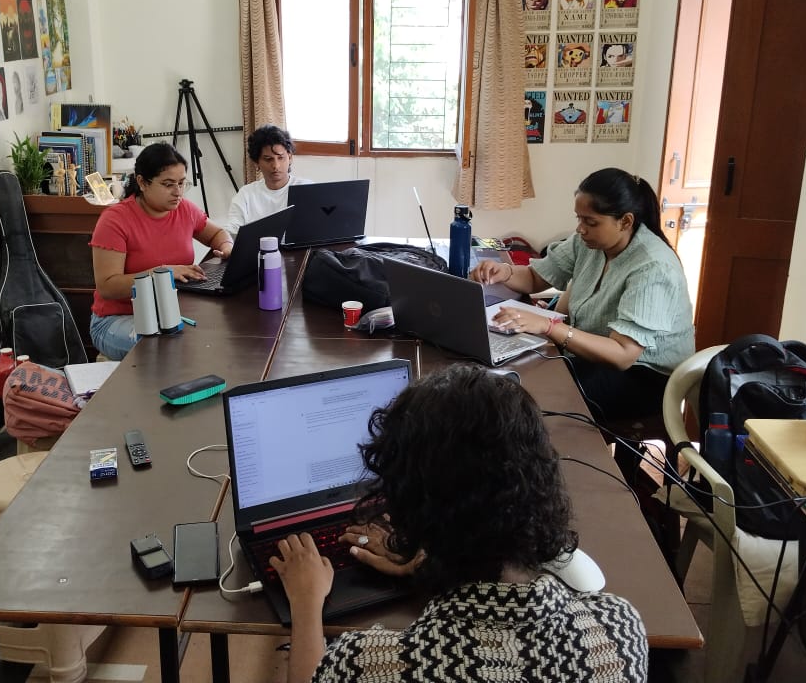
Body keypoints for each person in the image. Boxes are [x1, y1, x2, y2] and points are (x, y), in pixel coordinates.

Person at [270, 365, 648, 683]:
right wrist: (425, 559)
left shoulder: (370, 664)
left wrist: (305, 604)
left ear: (406, 509)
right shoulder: (619, 630)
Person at [471, 168, 694, 427]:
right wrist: (504, 272)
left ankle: (555, 460)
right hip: (596, 356)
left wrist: (548, 326)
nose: (581, 229)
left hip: (644, 377)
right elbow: (536, 278)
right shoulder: (589, 243)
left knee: (542, 398)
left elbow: (623, 354)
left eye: (591, 222)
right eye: (579, 219)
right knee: (521, 379)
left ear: (625, 221)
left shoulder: (652, 266)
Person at [88, 143, 233, 360]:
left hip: (169, 314)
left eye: (182, 183)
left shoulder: (184, 209)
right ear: (142, 182)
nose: (178, 192)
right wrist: (161, 274)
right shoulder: (115, 220)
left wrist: (226, 247)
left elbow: (217, 234)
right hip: (117, 319)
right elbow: (107, 286)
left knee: (213, 336)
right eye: (168, 184)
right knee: (170, 347)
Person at [225, 124, 310, 236]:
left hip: (299, 252)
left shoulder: (306, 188)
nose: (276, 165)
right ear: (257, 163)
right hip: (258, 251)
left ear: (290, 158)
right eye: (268, 159)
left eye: (281, 158)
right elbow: (231, 229)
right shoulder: (246, 194)